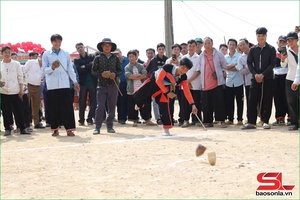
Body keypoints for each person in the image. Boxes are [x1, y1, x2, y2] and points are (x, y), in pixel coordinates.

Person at [133, 57, 197, 136]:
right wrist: (168, 93)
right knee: (137, 96)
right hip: (153, 82)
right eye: (183, 67)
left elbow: (187, 91)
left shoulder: (184, 77)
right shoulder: (168, 67)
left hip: (163, 89)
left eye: (186, 69)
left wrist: (193, 105)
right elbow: (158, 80)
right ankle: (139, 104)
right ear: (179, 65)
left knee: (164, 106)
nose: (183, 70)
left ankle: (166, 129)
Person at [42, 34, 80, 136]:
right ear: (52, 42)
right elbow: (44, 70)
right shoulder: (46, 54)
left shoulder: (65, 53)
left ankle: (69, 129)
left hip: (65, 84)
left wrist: (74, 82)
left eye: (59, 41)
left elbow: (70, 69)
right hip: (52, 85)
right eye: (55, 41)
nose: (57, 43)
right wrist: (52, 67)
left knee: (67, 107)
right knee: (54, 107)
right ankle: (55, 128)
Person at [242, 27, 276, 130]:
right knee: (252, 99)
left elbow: (272, 64)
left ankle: (265, 121)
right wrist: (255, 74)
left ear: (266, 36)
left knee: (267, 99)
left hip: (268, 77)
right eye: (259, 36)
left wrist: (263, 74)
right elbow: (249, 62)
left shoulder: (271, 49)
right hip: (255, 77)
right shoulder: (253, 49)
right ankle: (252, 122)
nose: (260, 38)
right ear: (256, 36)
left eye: (262, 36)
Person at [92, 38, 122, 134]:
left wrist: (115, 74)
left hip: (113, 86)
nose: (107, 47)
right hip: (101, 86)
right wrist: (101, 74)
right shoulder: (97, 58)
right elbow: (93, 71)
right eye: (105, 45)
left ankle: (110, 126)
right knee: (100, 106)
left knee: (112, 107)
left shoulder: (115, 58)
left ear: (111, 47)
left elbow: (120, 71)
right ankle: (97, 127)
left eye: (109, 45)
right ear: (102, 46)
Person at [0, 46, 30, 136]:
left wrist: (21, 90)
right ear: (2, 54)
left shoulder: (16, 64)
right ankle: (7, 128)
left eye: (9, 52)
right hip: (4, 91)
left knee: (19, 110)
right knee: (6, 111)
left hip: (15, 90)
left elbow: (20, 77)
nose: (7, 54)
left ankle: (22, 128)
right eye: (5, 52)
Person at [199, 37, 227, 128]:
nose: (207, 45)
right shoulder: (201, 56)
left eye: (209, 43)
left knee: (219, 103)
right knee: (206, 104)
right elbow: (199, 68)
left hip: (217, 82)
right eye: (205, 43)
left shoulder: (218, 54)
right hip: (205, 83)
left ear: (212, 44)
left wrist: (222, 72)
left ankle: (221, 121)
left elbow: (224, 65)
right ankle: (208, 121)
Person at [125, 50, 155, 127]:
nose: (131, 58)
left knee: (144, 105)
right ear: (128, 58)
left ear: (136, 57)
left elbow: (145, 74)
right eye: (130, 57)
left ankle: (147, 120)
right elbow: (129, 76)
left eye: (133, 56)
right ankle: (134, 121)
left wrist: (135, 76)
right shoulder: (127, 67)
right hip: (132, 89)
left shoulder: (140, 66)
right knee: (132, 106)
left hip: (141, 89)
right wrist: (138, 76)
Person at [74, 42, 96, 126]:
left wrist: (84, 66)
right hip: (82, 83)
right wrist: (87, 66)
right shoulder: (76, 60)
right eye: (78, 48)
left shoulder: (91, 57)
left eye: (81, 47)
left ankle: (90, 118)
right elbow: (78, 70)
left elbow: (93, 66)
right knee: (81, 101)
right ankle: (81, 119)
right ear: (77, 50)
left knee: (93, 101)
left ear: (84, 47)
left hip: (92, 82)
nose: (80, 49)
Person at [145, 43, 168, 125]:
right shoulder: (153, 60)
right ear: (157, 50)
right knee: (155, 102)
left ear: (165, 50)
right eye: (159, 49)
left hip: (165, 84)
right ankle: (158, 118)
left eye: (163, 49)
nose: (161, 51)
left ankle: (165, 117)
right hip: (154, 84)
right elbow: (147, 71)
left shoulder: (167, 60)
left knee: (165, 101)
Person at [181, 39, 201, 127]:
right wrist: (186, 82)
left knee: (196, 102)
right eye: (190, 46)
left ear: (196, 47)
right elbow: (181, 71)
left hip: (196, 84)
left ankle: (196, 120)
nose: (191, 48)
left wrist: (189, 81)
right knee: (185, 103)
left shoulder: (199, 57)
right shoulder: (183, 57)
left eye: (193, 46)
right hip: (185, 85)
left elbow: (198, 71)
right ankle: (186, 120)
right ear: (187, 47)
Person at [281, 31, 299, 131]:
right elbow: (283, 65)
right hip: (290, 78)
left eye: (292, 39)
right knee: (291, 102)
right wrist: (283, 59)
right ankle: (294, 123)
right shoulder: (286, 51)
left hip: (299, 78)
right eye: (288, 40)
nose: (290, 41)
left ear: (297, 40)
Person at [224, 39, 243, 125]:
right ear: (228, 46)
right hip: (228, 82)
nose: (231, 46)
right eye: (230, 44)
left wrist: (230, 67)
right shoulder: (225, 57)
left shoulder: (240, 56)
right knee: (229, 102)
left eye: (233, 45)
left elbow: (239, 67)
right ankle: (230, 119)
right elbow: (224, 67)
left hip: (238, 82)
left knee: (240, 102)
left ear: (236, 46)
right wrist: (234, 65)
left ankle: (240, 119)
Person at [24, 51, 45, 129]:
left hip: (38, 86)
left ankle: (37, 123)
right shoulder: (31, 62)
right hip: (28, 86)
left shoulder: (45, 66)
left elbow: (42, 76)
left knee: (36, 106)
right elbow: (24, 71)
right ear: (41, 57)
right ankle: (27, 123)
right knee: (26, 105)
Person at [272, 35, 289, 126]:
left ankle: (290, 117)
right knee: (277, 98)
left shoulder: (289, 52)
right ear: (277, 42)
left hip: (287, 75)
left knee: (287, 97)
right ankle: (280, 117)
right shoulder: (273, 53)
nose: (281, 44)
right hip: (276, 76)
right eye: (280, 42)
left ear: (286, 43)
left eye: (283, 42)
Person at [237, 38, 252, 123]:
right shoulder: (240, 58)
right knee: (249, 101)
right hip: (247, 82)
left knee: (260, 100)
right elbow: (241, 71)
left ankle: (262, 117)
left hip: (258, 80)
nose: (242, 46)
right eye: (240, 45)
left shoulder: (254, 54)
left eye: (244, 44)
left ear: (248, 44)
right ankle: (250, 118)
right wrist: (249, 67)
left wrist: (246, 67)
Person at [113, 48, 129, 124]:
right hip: (116, 84)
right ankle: (120, 118)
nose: (116, 55)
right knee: (119, 102)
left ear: (121, 53)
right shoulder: (113, 62)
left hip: (127, 83)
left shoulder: (127, 60)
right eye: (114, 54)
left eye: (117, 53)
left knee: (125, 101)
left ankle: (125, 117)